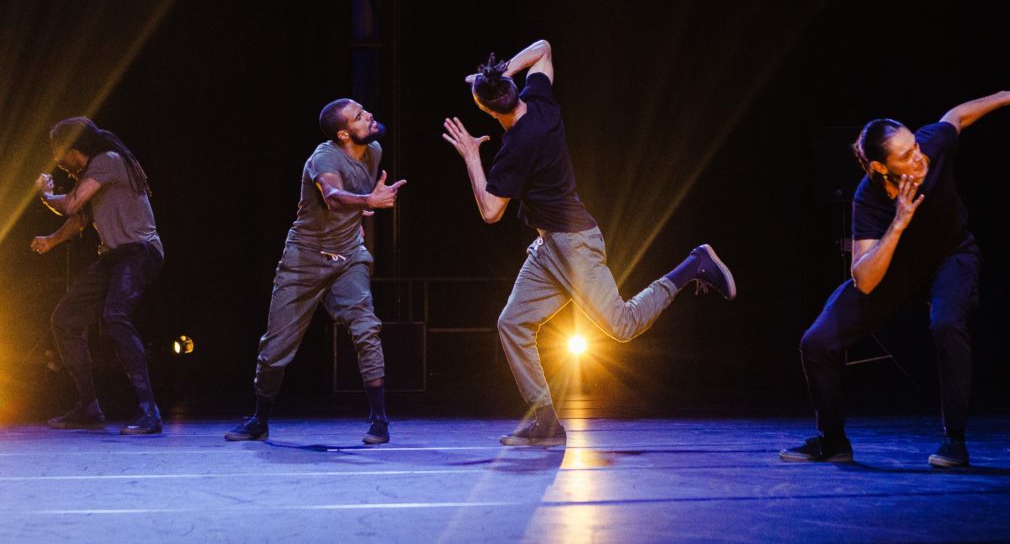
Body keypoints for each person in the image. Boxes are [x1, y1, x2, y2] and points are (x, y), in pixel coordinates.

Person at [442, 39, 736, 446]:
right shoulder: (540, 102)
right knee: (512, 323)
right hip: (550, 248)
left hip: (574, 246)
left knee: (622, 325)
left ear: (490, 112)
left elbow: (491, 212)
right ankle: (546, 421)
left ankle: (694, 264)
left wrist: (472, 156)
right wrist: (497, 75)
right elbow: (543, 48)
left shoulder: (517, 147)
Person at [780, 81, 1010, 467]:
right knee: (816, 341)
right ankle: (833, 440)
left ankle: (954, 439)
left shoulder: (932, 145)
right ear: (880, 167)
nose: (918, 157)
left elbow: (957, 117)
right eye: (906, 155)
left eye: (915, 145)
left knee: (946, 323)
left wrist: (1009, 97)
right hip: (898, 267)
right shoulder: (869, 197)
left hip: (952, 255)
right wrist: (898, 224)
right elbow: (865, 279)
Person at [225, 99, 405, 444]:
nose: (369, 116)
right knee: (276, 348)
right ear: (343, 133)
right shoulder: (323, 158)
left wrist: (359, 213)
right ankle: (260, 418)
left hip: (348, 255)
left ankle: (379, 420)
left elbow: (350, 200)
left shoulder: (374, 151)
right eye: (359, 116)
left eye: (364, 111)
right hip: (304, 258)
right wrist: (367, 202)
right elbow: (333, 195)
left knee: (366, 328)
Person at [32, 117, 165, 434]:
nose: (57, 160)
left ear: (72, 148)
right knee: (65, 319)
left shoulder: (107, 160)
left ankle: (150, 412)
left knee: (115, 317)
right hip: (114, 257)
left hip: (139, 252)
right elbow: (79, 218)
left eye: (58, 152)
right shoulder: (94, 174)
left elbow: (71, 204)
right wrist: (52, 240)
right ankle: (89, 407)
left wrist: (46, 194)